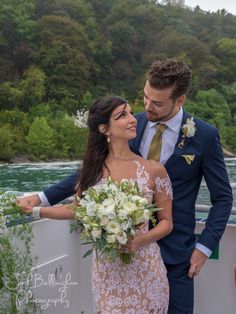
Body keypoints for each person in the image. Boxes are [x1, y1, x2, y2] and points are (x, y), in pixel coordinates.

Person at [18, 59, 233, 314]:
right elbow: (93, 171)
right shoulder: (130, 124)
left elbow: (222, 199)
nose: (147, 107)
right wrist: (41, 198)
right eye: (145, 97)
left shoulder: (205, 136)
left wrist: (203, 249)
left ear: (180, 101)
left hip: (177, 254)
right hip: (120, 256)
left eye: (157, 103)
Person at [19, 96, 173, 313]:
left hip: (146, 268)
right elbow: (76, 208)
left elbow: (167, 222)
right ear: (104, 129)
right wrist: (36, 210)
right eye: (122, 115)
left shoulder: (154, 169)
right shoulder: (92, 171)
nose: (132, 119)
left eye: (130, 112)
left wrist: (139, 240)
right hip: (106, 272)